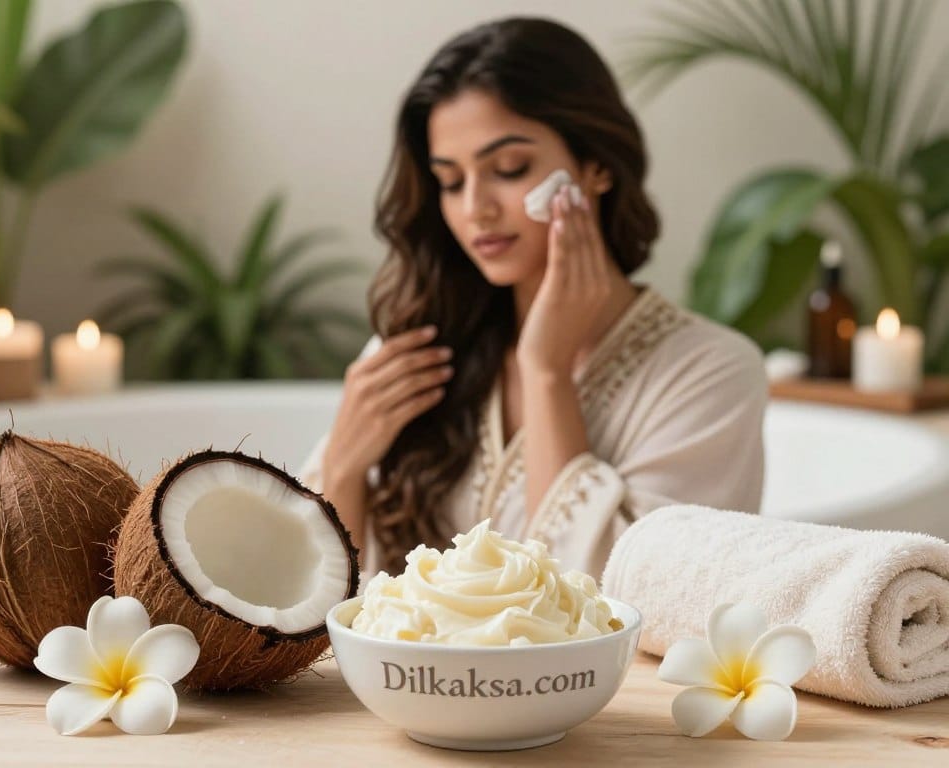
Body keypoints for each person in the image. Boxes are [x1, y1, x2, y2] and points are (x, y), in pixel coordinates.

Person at [299, 16, 767, 584]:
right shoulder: (416, 344)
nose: (475, 209)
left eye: (509, 169)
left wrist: (546, 373)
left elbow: (623, 600)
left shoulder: (709, 373)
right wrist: (345, 468)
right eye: (450, 181)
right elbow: (306, 600)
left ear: (595, 167)